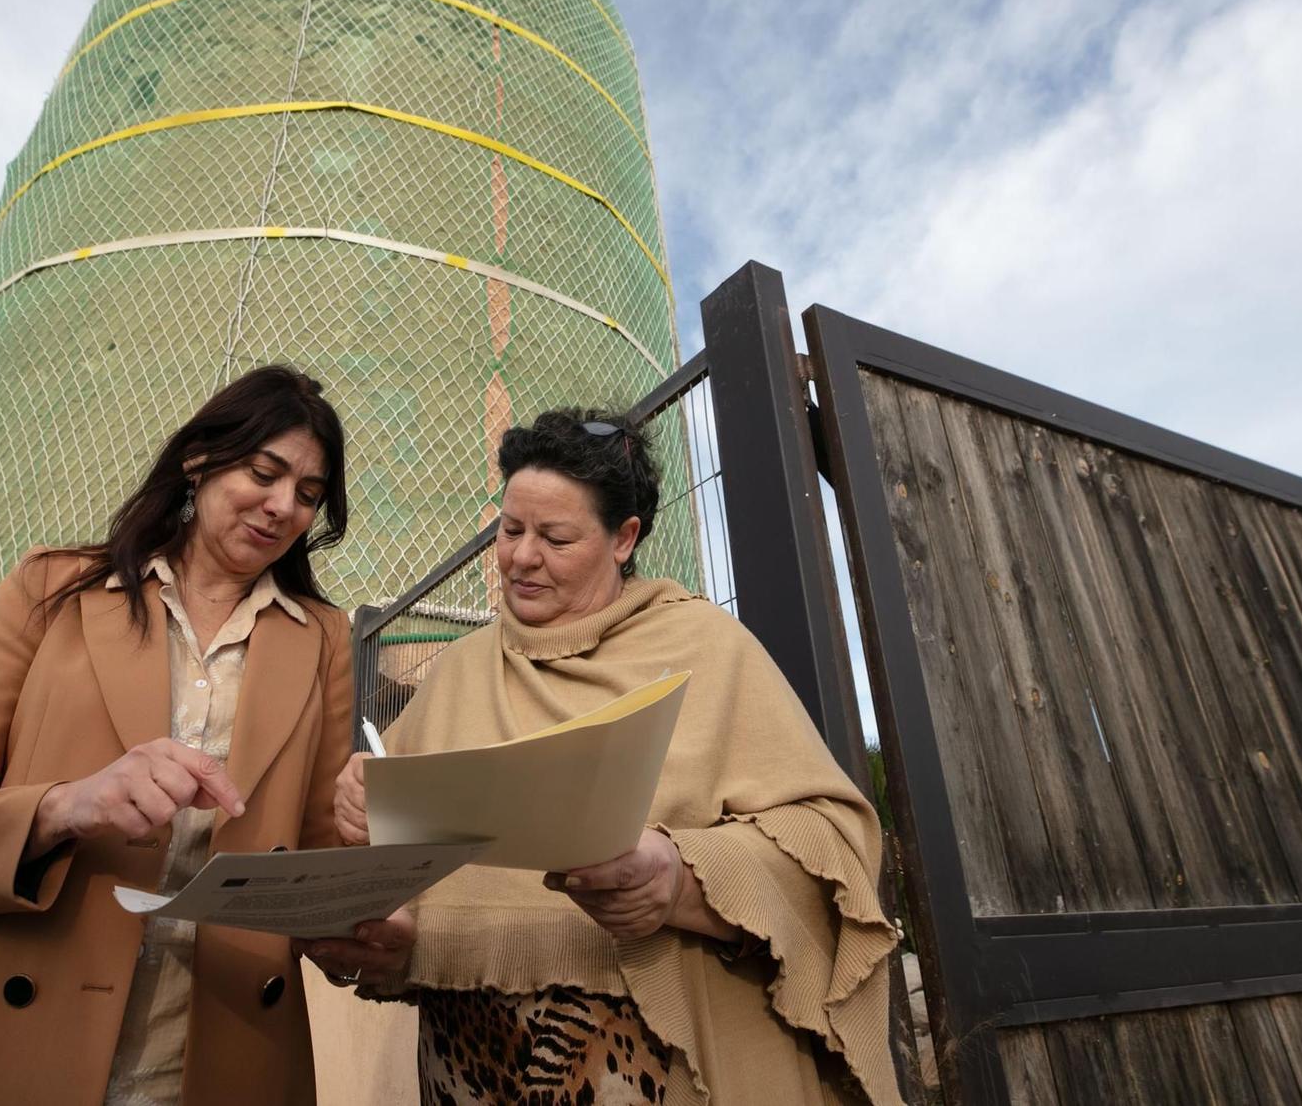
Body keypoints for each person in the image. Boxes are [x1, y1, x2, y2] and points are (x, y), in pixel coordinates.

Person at [310, 409, 906, 1106]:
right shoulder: (460, 671)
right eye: (509, 530)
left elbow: (832, 841)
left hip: (654, 1052)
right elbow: (404, 867)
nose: (520, 557)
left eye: (555, 536)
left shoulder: (706, 648)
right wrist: (363, 814)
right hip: (462, 1057)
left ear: (625, 538)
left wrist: (681, 879)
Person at [0, 366, 354, 1106]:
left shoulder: (322, 636)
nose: (284, 506)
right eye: (264, 471)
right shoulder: (51, 588)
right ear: (198, 460)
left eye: (309, 494)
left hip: (206, 1061)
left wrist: (364, 925)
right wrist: (65, 806)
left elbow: (319, 861)